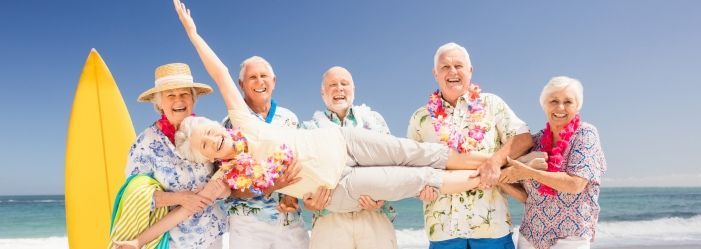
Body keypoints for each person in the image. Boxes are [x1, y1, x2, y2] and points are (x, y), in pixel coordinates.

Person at [407, 42, 533, 249]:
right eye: (445, 67)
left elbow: (523, 137)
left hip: (491, 228)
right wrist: (420, 189)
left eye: (458, 66)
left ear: (470, 70)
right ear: (435, 73)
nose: (452, 72)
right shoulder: (420, 118)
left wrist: (495, 161)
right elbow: (410, 164)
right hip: (443, 232)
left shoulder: (492, 104)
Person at [301, 66, 431, 249]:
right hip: (329, 219)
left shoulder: (374, 121)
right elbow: (305, 177)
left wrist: (381, 199)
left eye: (344, 83)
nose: (339, 88)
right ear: (323, 92)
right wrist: (309, 203)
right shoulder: (308, 129)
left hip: (374, 215)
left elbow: (392, 164)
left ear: (353, 90)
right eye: (332, 84)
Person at [119, 62, 229, 249]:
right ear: (159, 103)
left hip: (214, 237)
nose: (179, 100)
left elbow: (227, 180)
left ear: (193, 99)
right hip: (173, 242)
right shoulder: (145, 144)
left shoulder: (208, 131)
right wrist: (180, 198)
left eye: (184, 94)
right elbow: (134, 197)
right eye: (170, 95)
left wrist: (220, 190)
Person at [499, 76, 607, 249]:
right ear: (544, 105)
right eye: (554, 101)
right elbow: (528, 198)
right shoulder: (536, 140)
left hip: (570, 237)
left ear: (577, 106)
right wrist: (499, 179)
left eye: (568, 102)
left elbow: (575, 184)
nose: (560, 108)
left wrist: (531, 172)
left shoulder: (585, 134)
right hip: (531, 236)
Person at [221, 56, 309, 249]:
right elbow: (227, 186)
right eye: (252, 77)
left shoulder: (290, 119)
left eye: (264, 76)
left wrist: (291, 195)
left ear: (274, 81)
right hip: (247, 227)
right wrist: (269, 186)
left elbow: (303, 164)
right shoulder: (230, 124)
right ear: (241, 84)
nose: (259, 81)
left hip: (289, 221)